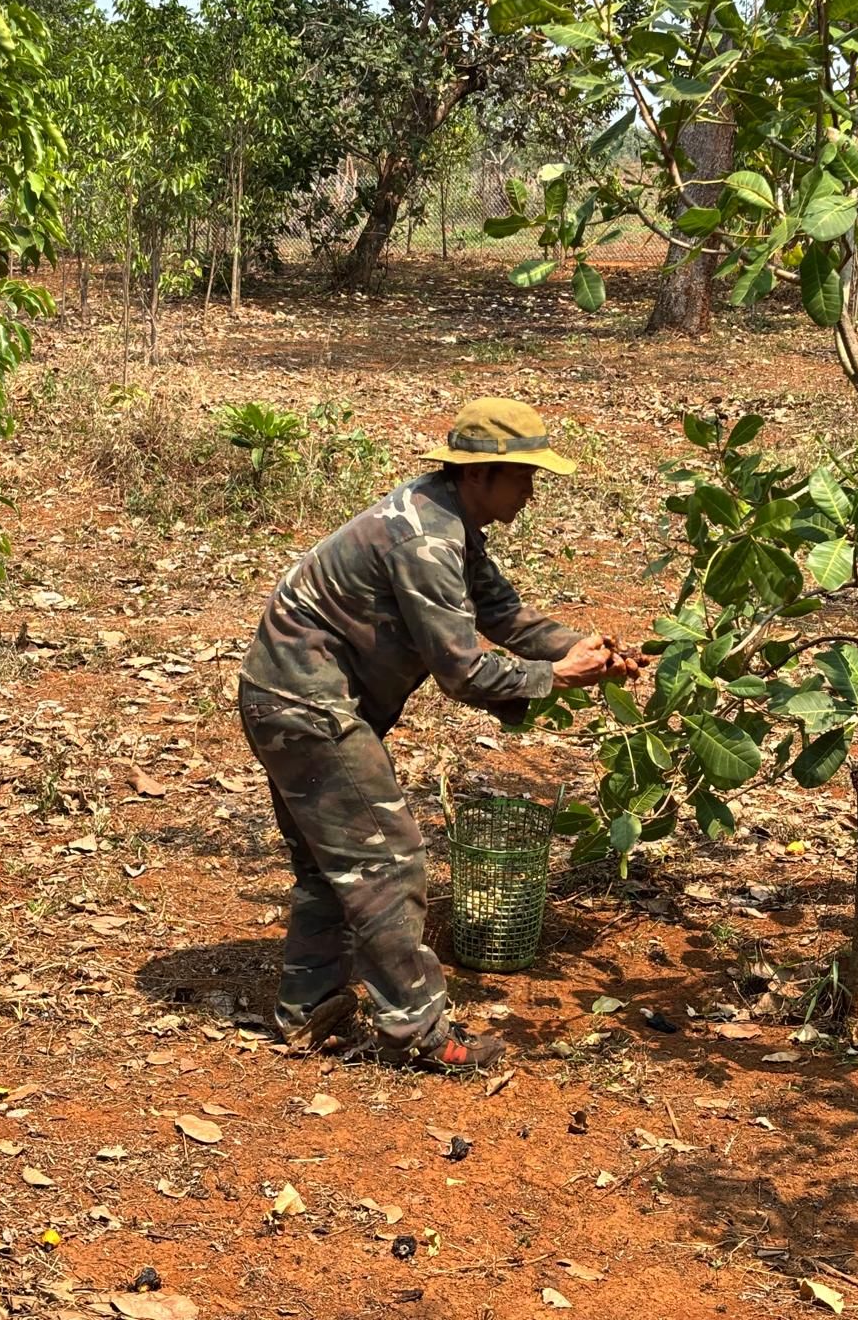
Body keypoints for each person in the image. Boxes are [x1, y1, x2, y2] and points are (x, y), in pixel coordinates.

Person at [238, 397, 638, 1073]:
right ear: (480, 473)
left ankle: (312, 1010)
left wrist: (583, 650)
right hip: (305, 706)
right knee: (388, 862)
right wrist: (557, 679)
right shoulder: (426, 539)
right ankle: (419, 1032)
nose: (532, 493)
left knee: (329, 866)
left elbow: (504, 616)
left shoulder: (446, 517)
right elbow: (464, 671)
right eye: (524, 477)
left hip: (291, 699)